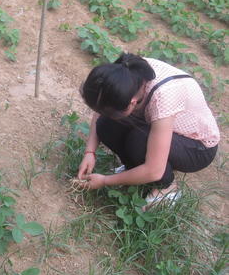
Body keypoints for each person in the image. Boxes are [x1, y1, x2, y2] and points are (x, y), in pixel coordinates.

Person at [77, 53, 219, 205]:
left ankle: (167, 187)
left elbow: (154, 169)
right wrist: (90, 152)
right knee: (106, 124)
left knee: (139, 140)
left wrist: (105, 181)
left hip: (197, 146)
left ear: (132, 103)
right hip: (162, 126)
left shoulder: (163, 98)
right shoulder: (125, 73)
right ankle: (133, 169)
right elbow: (102, 110)